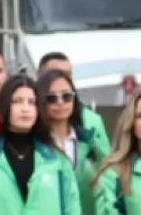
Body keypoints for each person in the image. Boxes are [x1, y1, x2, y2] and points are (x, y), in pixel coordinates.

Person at [0, 75, 80, 214]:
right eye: (17, 101)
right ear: (4, 105)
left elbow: (72, 209)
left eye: (32, 102)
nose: (25, 109)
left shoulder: (57, 160)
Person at [36, 69, 112, 215]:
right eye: (52, 98)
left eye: (67, 96)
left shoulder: (91, 142)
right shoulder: (35, 146)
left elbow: (110, 178)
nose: (60, 102)